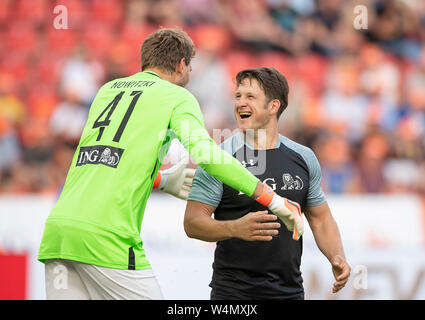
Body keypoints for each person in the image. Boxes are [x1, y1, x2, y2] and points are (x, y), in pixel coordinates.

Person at [38, 28, 302, 300]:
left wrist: (159, 180)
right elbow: (207, 155)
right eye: (190, 66)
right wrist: (271, 198)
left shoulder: (106, 91)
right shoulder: (176, 96)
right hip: (106, 239)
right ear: (181, 65)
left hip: (59, 232)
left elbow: (102, 158)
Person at [184, 67, 350, 300]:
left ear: (273, 106)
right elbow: (192, 223)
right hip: (233, 295)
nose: (241, 103)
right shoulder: (217, 159)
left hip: (289, 292)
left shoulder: (303, 157)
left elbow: (320, 218)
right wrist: (234, 228)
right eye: (238, 96)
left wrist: (337, 256)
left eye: (250, 97)